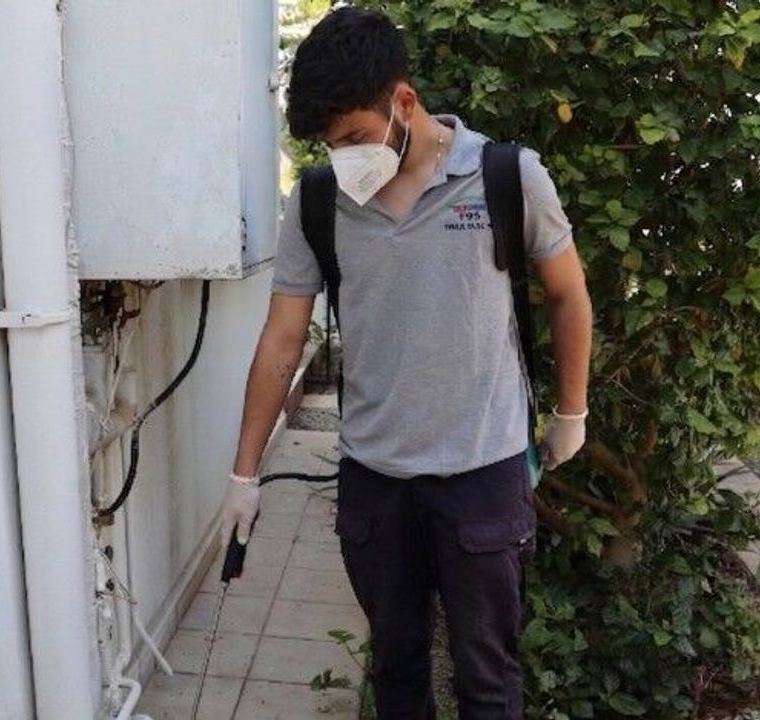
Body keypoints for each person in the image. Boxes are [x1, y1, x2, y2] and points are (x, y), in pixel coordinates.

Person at [222, 7, 593, 718]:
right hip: (376, 483)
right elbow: (281, 340)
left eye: (355, 138)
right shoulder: (319, 203)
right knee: (394, 674)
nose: (343, 157)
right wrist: (244, 474)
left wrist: (571, 411)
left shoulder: (506, 177)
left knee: (488, 681)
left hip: (482, 475)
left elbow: (567, 294)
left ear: (404, 101)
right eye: (330, 145)